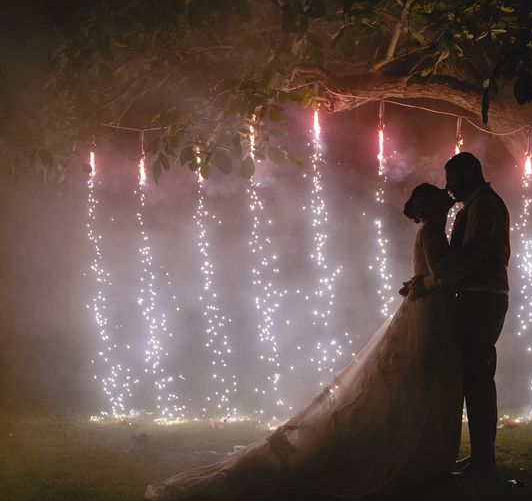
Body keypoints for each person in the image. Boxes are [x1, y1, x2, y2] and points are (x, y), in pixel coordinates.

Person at [145, 184, 461, 500]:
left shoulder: (429, 232)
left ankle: (419, 451)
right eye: (439, 200)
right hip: (429, 312)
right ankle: (418, 453)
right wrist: (432, 278)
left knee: (415, 382)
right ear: (429, 208)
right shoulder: (432, 233)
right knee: (423, 381)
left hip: (425, 308)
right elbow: (442, 272)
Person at [407, 152, 511, 477]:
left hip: (482, 298)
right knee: (473, 378)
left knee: (478, 377)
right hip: (476, 296)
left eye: (451, 179)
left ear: (469, 175)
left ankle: (484, 460)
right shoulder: (476, 207)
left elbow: (471, 255)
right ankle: (481, 456)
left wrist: (429, 282)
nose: (448, 187)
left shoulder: (484, 206)